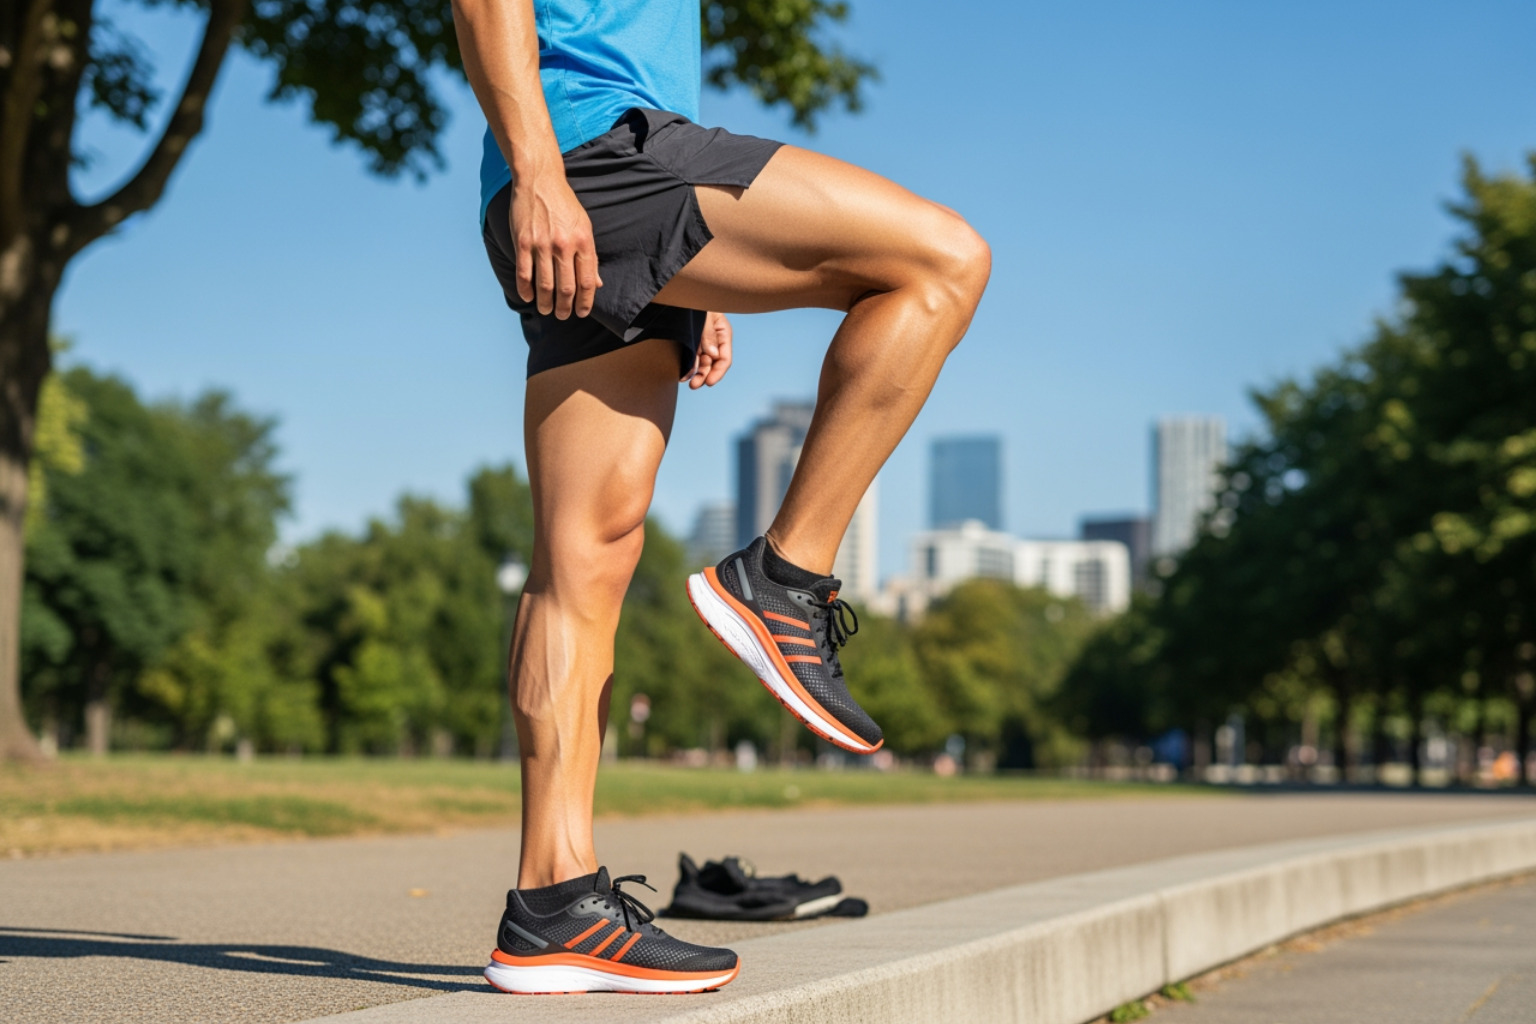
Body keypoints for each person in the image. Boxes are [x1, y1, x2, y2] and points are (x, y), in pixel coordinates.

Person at [452, 0, 990, 996]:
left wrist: (689, 282)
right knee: (942, 261)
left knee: (584, 554)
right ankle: (784, 575)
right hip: (597, 157)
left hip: (603, 181)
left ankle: (552, 903)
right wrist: (538, 171)